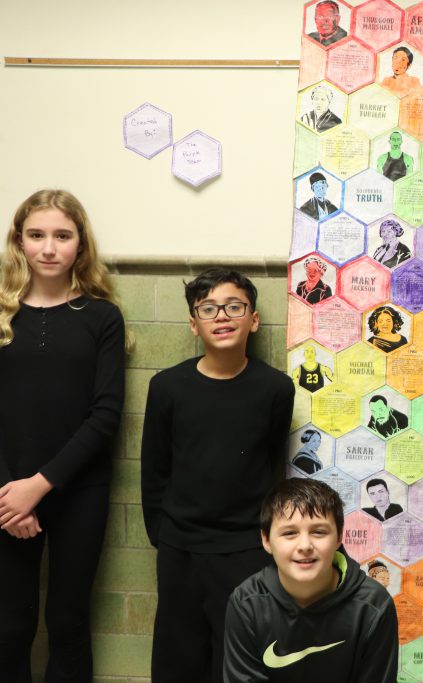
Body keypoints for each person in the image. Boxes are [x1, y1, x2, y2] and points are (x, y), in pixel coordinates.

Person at [142, 268, 295, 683]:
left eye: (234, 306)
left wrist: (263, 539)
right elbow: (154, 469)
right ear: (194, 324)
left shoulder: (275, 389)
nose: (222, 316)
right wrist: (163, 532)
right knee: (178, 659)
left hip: (245, 548)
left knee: (238, 660)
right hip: (181, 549)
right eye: (208, 308)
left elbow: (271, 466)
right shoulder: (167, 387)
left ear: (254, 319)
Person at [0, 190, 127, 682]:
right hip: (7, 493)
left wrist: (42, 484)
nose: (48, 248)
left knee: (68, 622)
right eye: (36, 235)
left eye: (61, 235)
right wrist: (13, 494)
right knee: (10, 626)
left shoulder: (101, 317)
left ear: (80, 244)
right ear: (19, 242)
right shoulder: (4, 314)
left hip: (79, 491)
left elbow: (105, 415)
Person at [223, 478, 398, 682]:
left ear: (339, 536)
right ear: (266, 540)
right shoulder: (246, 603)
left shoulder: (374, 605)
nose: (305, 545)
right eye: (289, 533)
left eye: (318, 532)